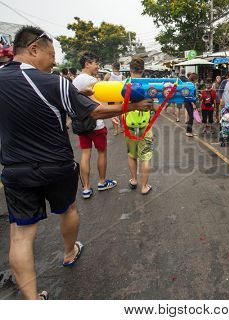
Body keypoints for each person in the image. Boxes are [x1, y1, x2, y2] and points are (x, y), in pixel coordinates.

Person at [0, 26, 152, 300]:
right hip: (56, 164)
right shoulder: (54, 82)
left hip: (15, 168)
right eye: (51, 53)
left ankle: (33, 302)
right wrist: (131, 106)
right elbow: (94, 109)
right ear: (33, 49)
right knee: (68, 209)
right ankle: (70, 252)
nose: (54, 60)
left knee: (21, 235)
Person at [72, 52, 117, 199]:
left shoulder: (75, 81)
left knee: (85, 154)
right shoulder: (92, 80)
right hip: (96, 124)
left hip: (81, 124)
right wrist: (113, 116)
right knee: (102, 152)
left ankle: (85, 188)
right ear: (87, 64)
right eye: (95, 63)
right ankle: (102, 182)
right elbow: (98, 103)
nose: (97, 66)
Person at [125, 58, 158, 195]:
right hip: (145, 128)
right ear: (143, 70)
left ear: (130, 70)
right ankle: (144, 187)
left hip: (130, 128)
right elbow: (156, 108)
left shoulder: (124, 85)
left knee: (132, 155)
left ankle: (133, 180)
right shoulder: (149, 87)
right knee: (145, 158)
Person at [104, 62, 124, 135]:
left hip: (111, 96)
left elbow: (103, 83)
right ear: (119, 67)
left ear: (112, 67)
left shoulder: (109, 74)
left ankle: (116, 130)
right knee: (120, 112)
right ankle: (122, 127)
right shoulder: (122, 76)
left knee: (113, 113)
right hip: (119, 96)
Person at [184, 72, 198, 137]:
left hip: (188, 102)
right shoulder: (190, 84)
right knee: (191, 117)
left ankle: (190, 131)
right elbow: (189, 95)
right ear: (194, 78)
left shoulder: (190, 83)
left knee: (191, 117)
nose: (197, 79)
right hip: (189, 102)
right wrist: (193, 104)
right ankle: (188, 131)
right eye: (196, 78)